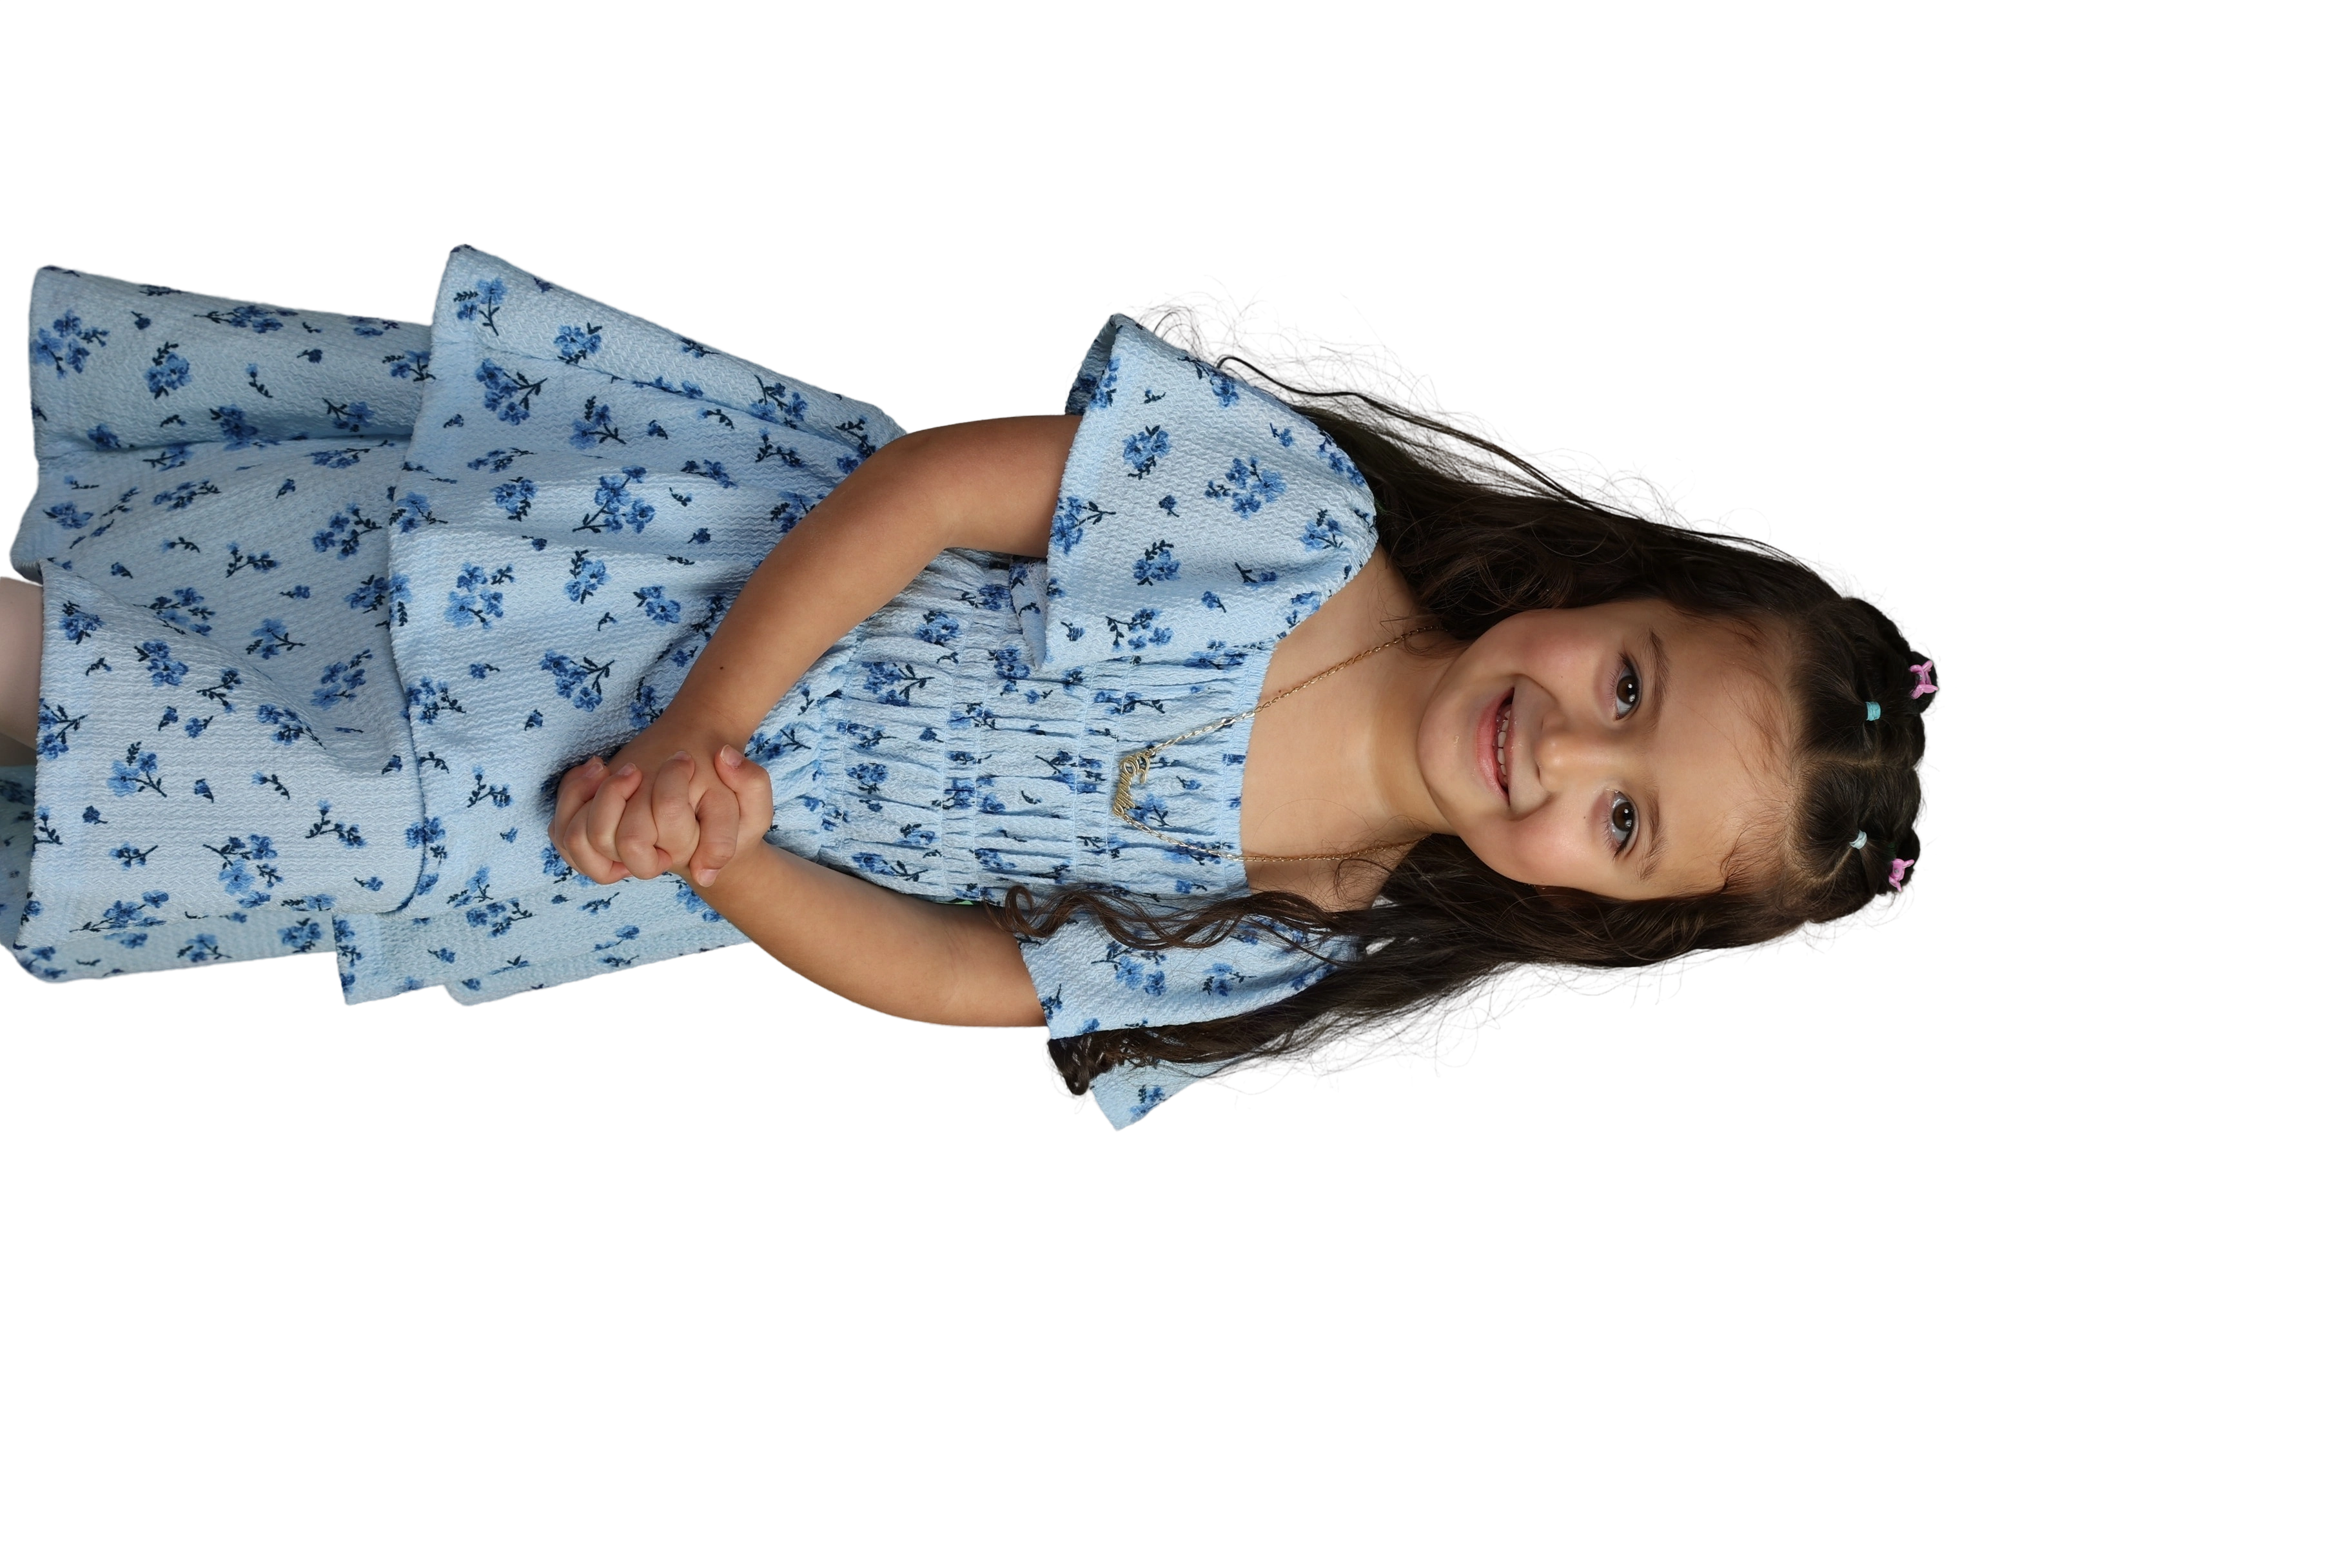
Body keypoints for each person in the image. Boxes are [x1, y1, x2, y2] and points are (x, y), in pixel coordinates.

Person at [2, 250, 1941, 1129]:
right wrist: (707, 716)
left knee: (204, 761)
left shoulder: (1290, 942)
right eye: (1629, 681)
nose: (1568, 748)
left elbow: (955, 975)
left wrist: (716, 846)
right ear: (1612, 590)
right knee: (199, 589)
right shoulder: (1301, 529)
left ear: (1603, 909)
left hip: (620, 816)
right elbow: (942, 485)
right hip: (680, 588)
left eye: (1625, 817)